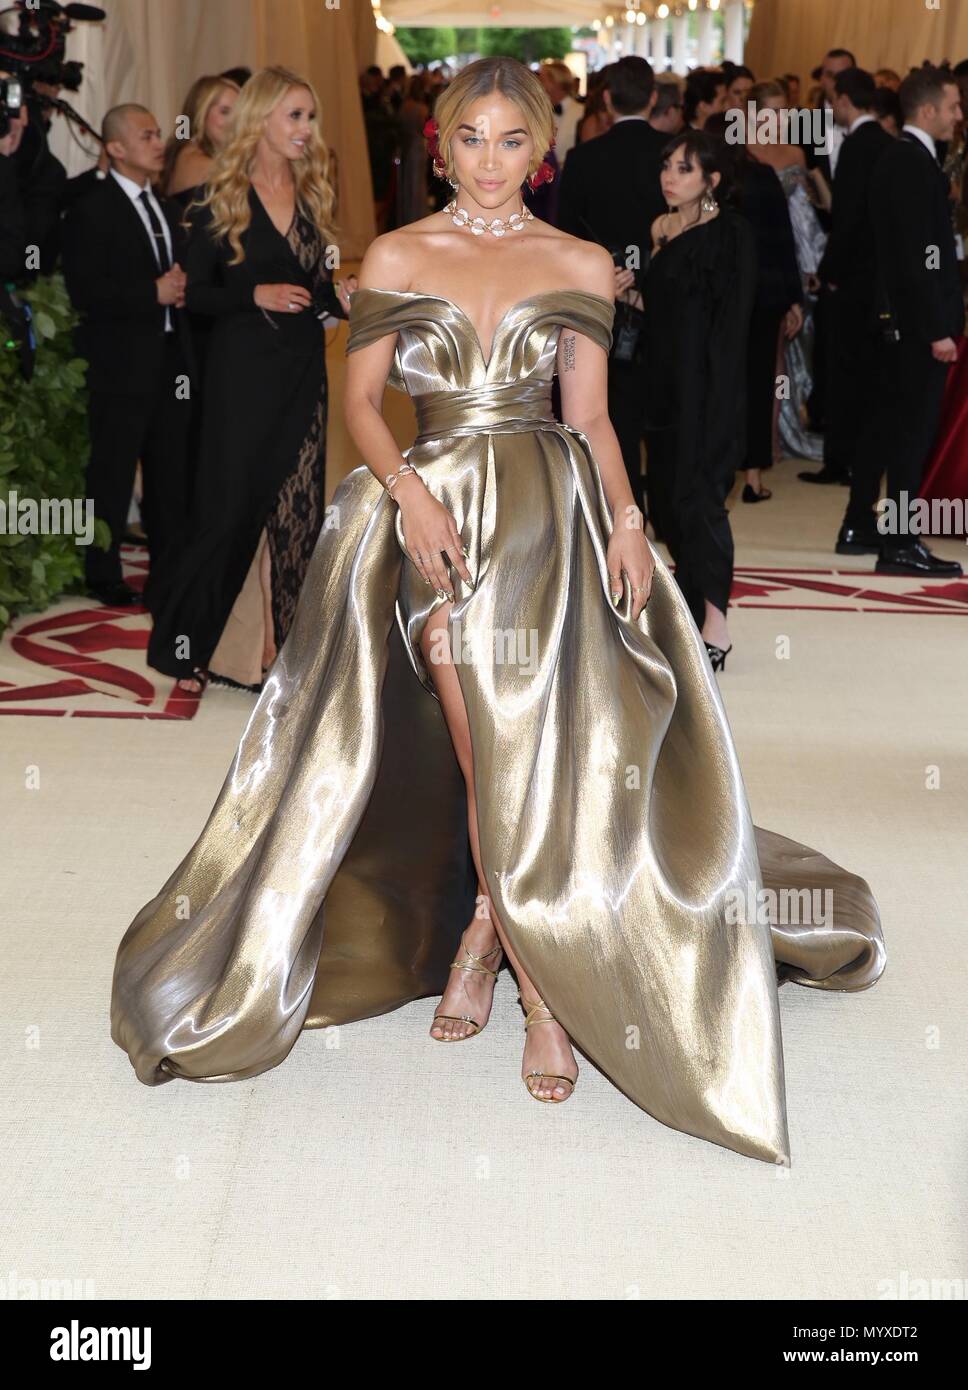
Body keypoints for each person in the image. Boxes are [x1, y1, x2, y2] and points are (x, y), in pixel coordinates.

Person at [111, 58, 885, 1168]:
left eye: (508, 141)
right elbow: (360, 403)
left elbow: (593, 423)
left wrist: (624, 523)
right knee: (485, 751)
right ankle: (543, 991)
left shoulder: (573, 260)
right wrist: (409, 492)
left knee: (534, 747)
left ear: (540, 150)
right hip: (437, 523)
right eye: (467, 140)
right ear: (439, 145)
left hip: (549, 520)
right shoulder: (397, 253)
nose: (486, 162)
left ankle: (486, 928)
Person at [146, 66, 356, 693]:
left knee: (298, 513)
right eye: (295, 116)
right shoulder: (220, 196)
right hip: (240, 374)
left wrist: (339, 295)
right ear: (262, 119)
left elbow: (316, 284)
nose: (306, 130)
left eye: (310, 117)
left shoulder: (314, 190)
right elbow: (194, 295)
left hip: (300, 370)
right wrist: (253, 293)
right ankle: (181, 644)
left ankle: (294, 656)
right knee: (228, 511)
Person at [61, 103, 195, 609]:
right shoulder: (93, 208)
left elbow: (168, 272)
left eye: (159, 133)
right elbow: (84, 290)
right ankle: (101, 571)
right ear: (115, 148)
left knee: (167, 469)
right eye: (146, 135)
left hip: (167, 357)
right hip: (118, 363)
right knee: (112, 472)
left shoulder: (159, 203)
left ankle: (170, 568)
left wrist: (177, 290)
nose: (158, 142)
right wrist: (151, 292)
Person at [642, 130, 756, 668]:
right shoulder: (662, 228)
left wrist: (719, 397)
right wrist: (629, 292)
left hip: (709, 389)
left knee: (702, 500)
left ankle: (717, 625)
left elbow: (730, 325)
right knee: (667, 500)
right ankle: (688, 611)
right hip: (664, 384)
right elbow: (667, 311)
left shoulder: (732, 236)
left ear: (711, 180)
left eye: (684, 168)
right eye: (667, 165)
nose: (670, 176)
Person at [558, 55, 668, 520]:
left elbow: (566, 234)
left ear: (605, 99)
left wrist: (605, 275)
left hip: (600, 295)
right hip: (664, 295)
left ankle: (617, 509)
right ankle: (665, 510)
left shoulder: (584, 158)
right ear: (655, 97)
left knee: (609, 407)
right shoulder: (673, 154)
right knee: (665, 405)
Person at [864, 66, 964, 576]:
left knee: (904, 435)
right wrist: (938, 328)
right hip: (915, 330)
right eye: (953, 106)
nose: (959, 115)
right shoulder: (911, 163)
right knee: (909, 438)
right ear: (927, 110)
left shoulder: (908, 159)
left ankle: (895, 536)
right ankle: (899, 542)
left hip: (907, 325)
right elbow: (917, 257)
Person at [706, 111, 805, 503]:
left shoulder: (704, 182)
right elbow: (784, 240)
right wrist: (793, 297)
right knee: (760, 383)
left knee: (716, 382)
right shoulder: (761, 175)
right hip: (763, 298)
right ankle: (752, 476)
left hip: (715, 299)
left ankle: (715, 464)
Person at [813, 69, 894, 522]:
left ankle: (840, 459)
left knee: (843, 374)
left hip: (851, 281)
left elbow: (847, 220)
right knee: (865, 377)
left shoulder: (858, 147)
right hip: (876, 281)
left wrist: (828, 273)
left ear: (844, 101)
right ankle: (855, 459)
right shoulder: (885, 142)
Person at [160, 74, 239, 199]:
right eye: (224, 112)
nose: (234, 121)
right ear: (200, 112)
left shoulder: (181, 150)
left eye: (239, 112)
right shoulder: (197, 161)